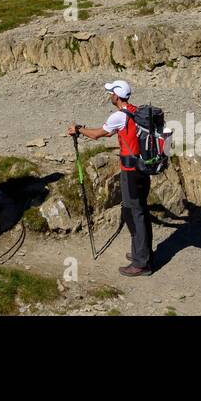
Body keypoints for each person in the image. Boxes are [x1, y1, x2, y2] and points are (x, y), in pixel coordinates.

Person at [66, 80, 154, 277]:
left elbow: (98, 135)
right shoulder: (135, 110)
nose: (109, 96)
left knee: (135, 212)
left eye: (111, 93)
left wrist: (78, 130)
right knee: (140, 210)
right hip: (142, 168)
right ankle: (143, 254)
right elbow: (108, 133)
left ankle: (142, 263)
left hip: (130, 170)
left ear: (116, 95)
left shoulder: (119, 116)